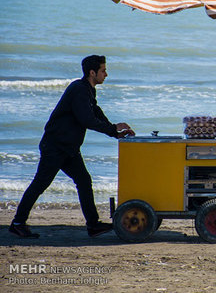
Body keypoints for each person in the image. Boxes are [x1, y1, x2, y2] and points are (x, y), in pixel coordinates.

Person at [9, 55, 135, 238]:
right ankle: (18, 223)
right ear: (92, 73)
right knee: (40, 184)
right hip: (56, 146)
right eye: (103, 70)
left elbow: (96, 112)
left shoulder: (88, 90)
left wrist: (114, 131)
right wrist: (113, 128)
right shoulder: (79, 90)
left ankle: (93, 225)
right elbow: (87, 120)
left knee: (84, 181)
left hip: (69, 148)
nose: (106, 74)